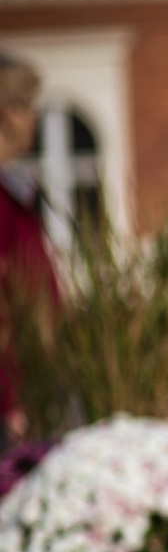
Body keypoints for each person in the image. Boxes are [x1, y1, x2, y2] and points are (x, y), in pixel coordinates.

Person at [0, 51, 58, 442]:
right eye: (25, 105)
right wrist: (9, 400)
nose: (33, 118)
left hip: (34, 384)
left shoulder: (13, 191)